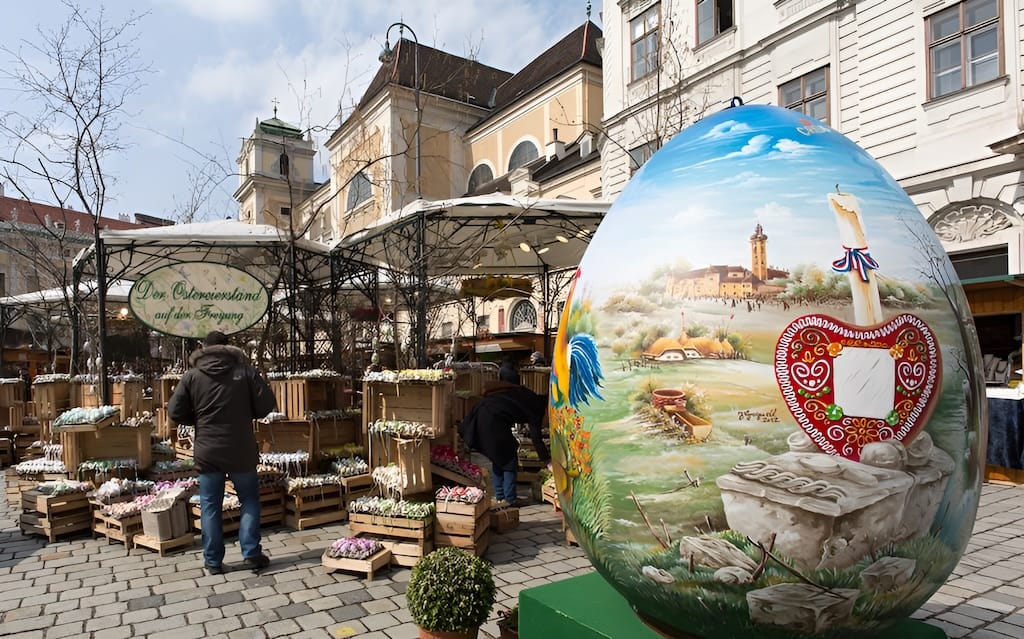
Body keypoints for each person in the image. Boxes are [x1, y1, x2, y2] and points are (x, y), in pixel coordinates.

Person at [168, 330, 276, 575]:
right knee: (248, 499)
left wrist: (197, 418)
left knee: (210, 505)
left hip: (208, 449)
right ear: (229, 349)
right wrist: (247, 411)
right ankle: (251, 554)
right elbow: (266, 404)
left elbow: (175, 412)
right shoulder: (245, 372)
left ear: (203, 349)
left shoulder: (192, 376)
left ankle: (213, 561)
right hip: (241, 447)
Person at [459, 383, 549, 506]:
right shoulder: (536, 409)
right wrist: (548, 462)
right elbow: (536, 439)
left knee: (498, 457)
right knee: (509, 459)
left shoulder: (530, 396)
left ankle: (501, 497)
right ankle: (510, 499)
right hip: (492, 419)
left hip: (482, 413)